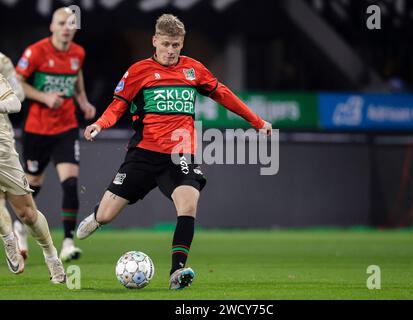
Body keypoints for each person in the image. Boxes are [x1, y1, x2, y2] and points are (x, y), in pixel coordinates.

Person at [76, 13, 272, 290]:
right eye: (166, 44)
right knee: (108, 215)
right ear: (155, 41)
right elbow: (117, 106)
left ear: (182, 43)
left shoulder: (194, 70)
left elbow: (224, 95)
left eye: (176, 45)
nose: (171, 51)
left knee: (189, 204)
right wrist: (99, 124)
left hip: (180, 154)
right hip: (143, 154)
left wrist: (258, 122)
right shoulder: (138, 72)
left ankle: (176, 272)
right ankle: (96, 218)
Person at [15, 7, 96, 262]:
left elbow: (76, 75)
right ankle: (20, 225)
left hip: (66, 127)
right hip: (37, 129)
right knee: (33, 184)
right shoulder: (36, 51)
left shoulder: (77, 53)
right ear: (52, 26)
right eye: (61, 23)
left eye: (71, 24)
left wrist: (82, 101)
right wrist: (44, 97)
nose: (66, 28)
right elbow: (16, 82)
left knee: (70, 182)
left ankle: (68, 242)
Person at [0, 70, 66, 284]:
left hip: (3, 154)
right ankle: (9, 239)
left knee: (27, 213)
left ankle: (51, 256)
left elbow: (14, 102)